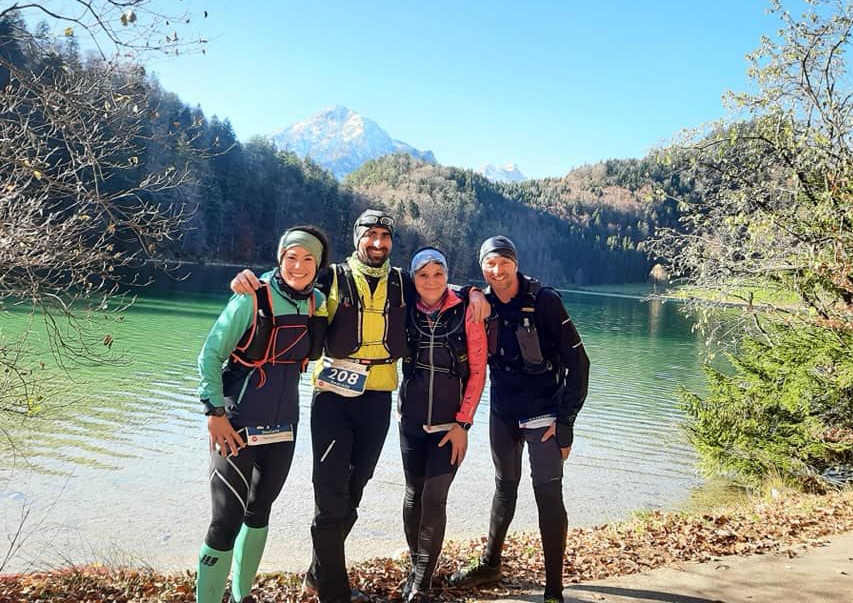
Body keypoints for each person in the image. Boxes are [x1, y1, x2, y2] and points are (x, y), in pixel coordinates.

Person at [230, 210, 488, 603]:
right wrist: (252, 280)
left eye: (385, 236)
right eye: (370, 235)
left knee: (354, 491)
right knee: (330, 494)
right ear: (357, 238)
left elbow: (438, 285)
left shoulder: (403, 281)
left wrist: (474, 291)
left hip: (378, 398)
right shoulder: (329, 276)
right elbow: (289, 280)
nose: (378, 243)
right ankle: (335, 593)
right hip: (332, 399)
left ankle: (318, 574)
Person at [450, 235, 590, 603]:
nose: (497, 271)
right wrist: (469, 291)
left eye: (503, 262)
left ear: (515, 263)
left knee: (547, 494)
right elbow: (430, 288)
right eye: (489, 264)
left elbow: (580, 364)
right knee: (504, 486)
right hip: (503, 413)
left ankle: (554, 589)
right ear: (482, 266)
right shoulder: (483, 302)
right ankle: (491, 563)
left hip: (544, 413)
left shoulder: (545, 302)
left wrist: (566, 422)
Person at [196, 225, 329, 603]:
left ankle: (242, 596)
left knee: (259, 514)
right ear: (279, 259)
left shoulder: (318, 301)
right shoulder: (250, 297)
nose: (298, 266)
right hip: (236, 424)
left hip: (284, 427)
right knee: (224, 522)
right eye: (291, 257)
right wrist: (214, 412)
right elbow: (209, 354)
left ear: (318, 264)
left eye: (308, 259)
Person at [399, 246, 487, 603]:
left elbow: (479, 372)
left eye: (438, 273)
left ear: (448, 275)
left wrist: (463, 424)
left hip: (450, 426)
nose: (432, 281)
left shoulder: (466, 309)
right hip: (411, 421)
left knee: (434, 499)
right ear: (413, 279)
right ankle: (417, 564)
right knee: (412, 497)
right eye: (423, 275)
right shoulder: (405, 307)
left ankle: (421, 583)